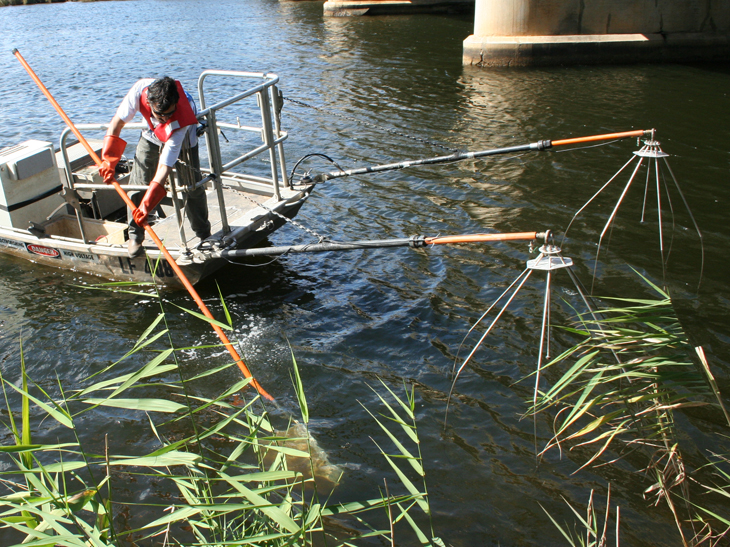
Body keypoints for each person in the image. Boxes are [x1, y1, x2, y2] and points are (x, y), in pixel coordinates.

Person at [99, 76, 211, 257]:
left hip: (182, 140)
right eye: (161, 114)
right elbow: (116, 125)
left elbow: (164, 168)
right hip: (151, 135)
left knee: (191, 186)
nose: (165, 118)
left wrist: (147, 206)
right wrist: (108, 161)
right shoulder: (139, 91)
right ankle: (135, 236)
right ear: (150, 104)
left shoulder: (183, 113)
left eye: (169, 113)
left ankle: (203, 234)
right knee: (139, 182)